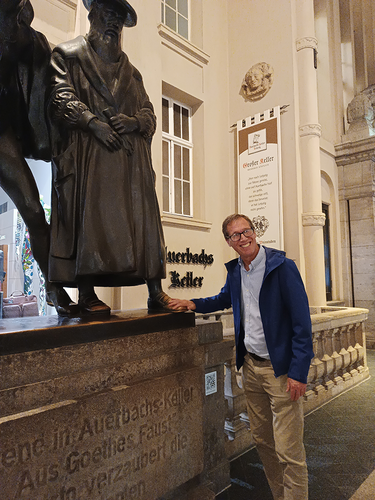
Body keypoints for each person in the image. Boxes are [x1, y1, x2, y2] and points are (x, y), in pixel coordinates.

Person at [169, 214, 314, 500]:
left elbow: (302, 324)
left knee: (288, 449)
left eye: (246, 231)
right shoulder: (236, 271)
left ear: (254, 232)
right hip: (251, 367)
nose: (242, 238)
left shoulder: (282, 267)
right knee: (263, 441)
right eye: (235, 235)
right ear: (228, 241)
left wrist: (299, 371)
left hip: (281, 371)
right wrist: (192, 303)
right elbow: (223, 299)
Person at [47, 0, 178, 314]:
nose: (113, 25)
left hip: (132, 164)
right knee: (87, 218)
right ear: (92, 17)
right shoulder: (69, 56)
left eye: (118, 20)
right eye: (108, 16)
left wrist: (134, 122)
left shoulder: (132, 73)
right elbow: (58, 95)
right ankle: (86, 293)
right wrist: (92, 123)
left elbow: (149, 112)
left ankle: (155, 291)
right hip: (89, 156)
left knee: (145, 221)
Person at [0, 0, 79, 315]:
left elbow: (53, 84)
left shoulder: (30, 41)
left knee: (34, 212)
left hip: (2, 132)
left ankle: (54, 288)